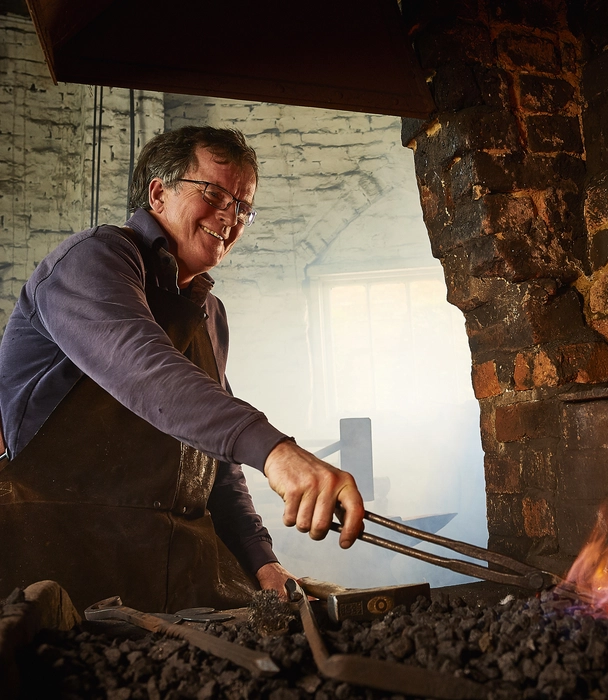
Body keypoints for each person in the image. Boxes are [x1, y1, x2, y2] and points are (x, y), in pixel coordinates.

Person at [0, 126, 365, 613]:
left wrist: (261, 560)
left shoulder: (210, 314)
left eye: (242, 206)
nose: (230, 216)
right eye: (214, 193)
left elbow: (214, 465)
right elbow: (145, 369)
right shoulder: (93, 260)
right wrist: (276, 452)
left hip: (170, 578)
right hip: (55, 574)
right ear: (158, 192)